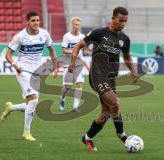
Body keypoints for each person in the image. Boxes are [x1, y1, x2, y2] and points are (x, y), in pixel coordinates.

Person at [68, 7, 138, 151]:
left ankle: (87, 138)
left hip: (111, 79)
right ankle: (121, 134)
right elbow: (78, 46)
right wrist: (73, 62)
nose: (123, 23)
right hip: (97, 76)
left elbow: (127, 56)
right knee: (115, 102)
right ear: (113, 18)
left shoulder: (124, 39)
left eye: (125, 21)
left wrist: (133, 70)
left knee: (106, 113)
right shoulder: (99, 33)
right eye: (120, 20)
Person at [0, 11, 57, 141]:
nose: (36, 23)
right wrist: (15, 64)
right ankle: (26, 134)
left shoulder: (44, 34)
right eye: (33, 21)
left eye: (37, 20)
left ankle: (11, 107)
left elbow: (51, 50)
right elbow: (8, 54)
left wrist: (55, 67)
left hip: (37, 71)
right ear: (27, 22)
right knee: (34, 99)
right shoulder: (20, 37)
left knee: (31, 104)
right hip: (23, 71)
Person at [60, 17, 91, 112]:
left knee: (79, 84)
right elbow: (64, 50)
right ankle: (62, 98)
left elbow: (85, 50)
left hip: (79, 65)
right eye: (75, 24)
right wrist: (74, 52)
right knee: (67, 87)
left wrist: (91, 52)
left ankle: (75, 107)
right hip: (68, 64)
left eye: (78, 25)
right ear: (72, 25)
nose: (76, 26)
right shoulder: (67, 36)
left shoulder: (82, 36)